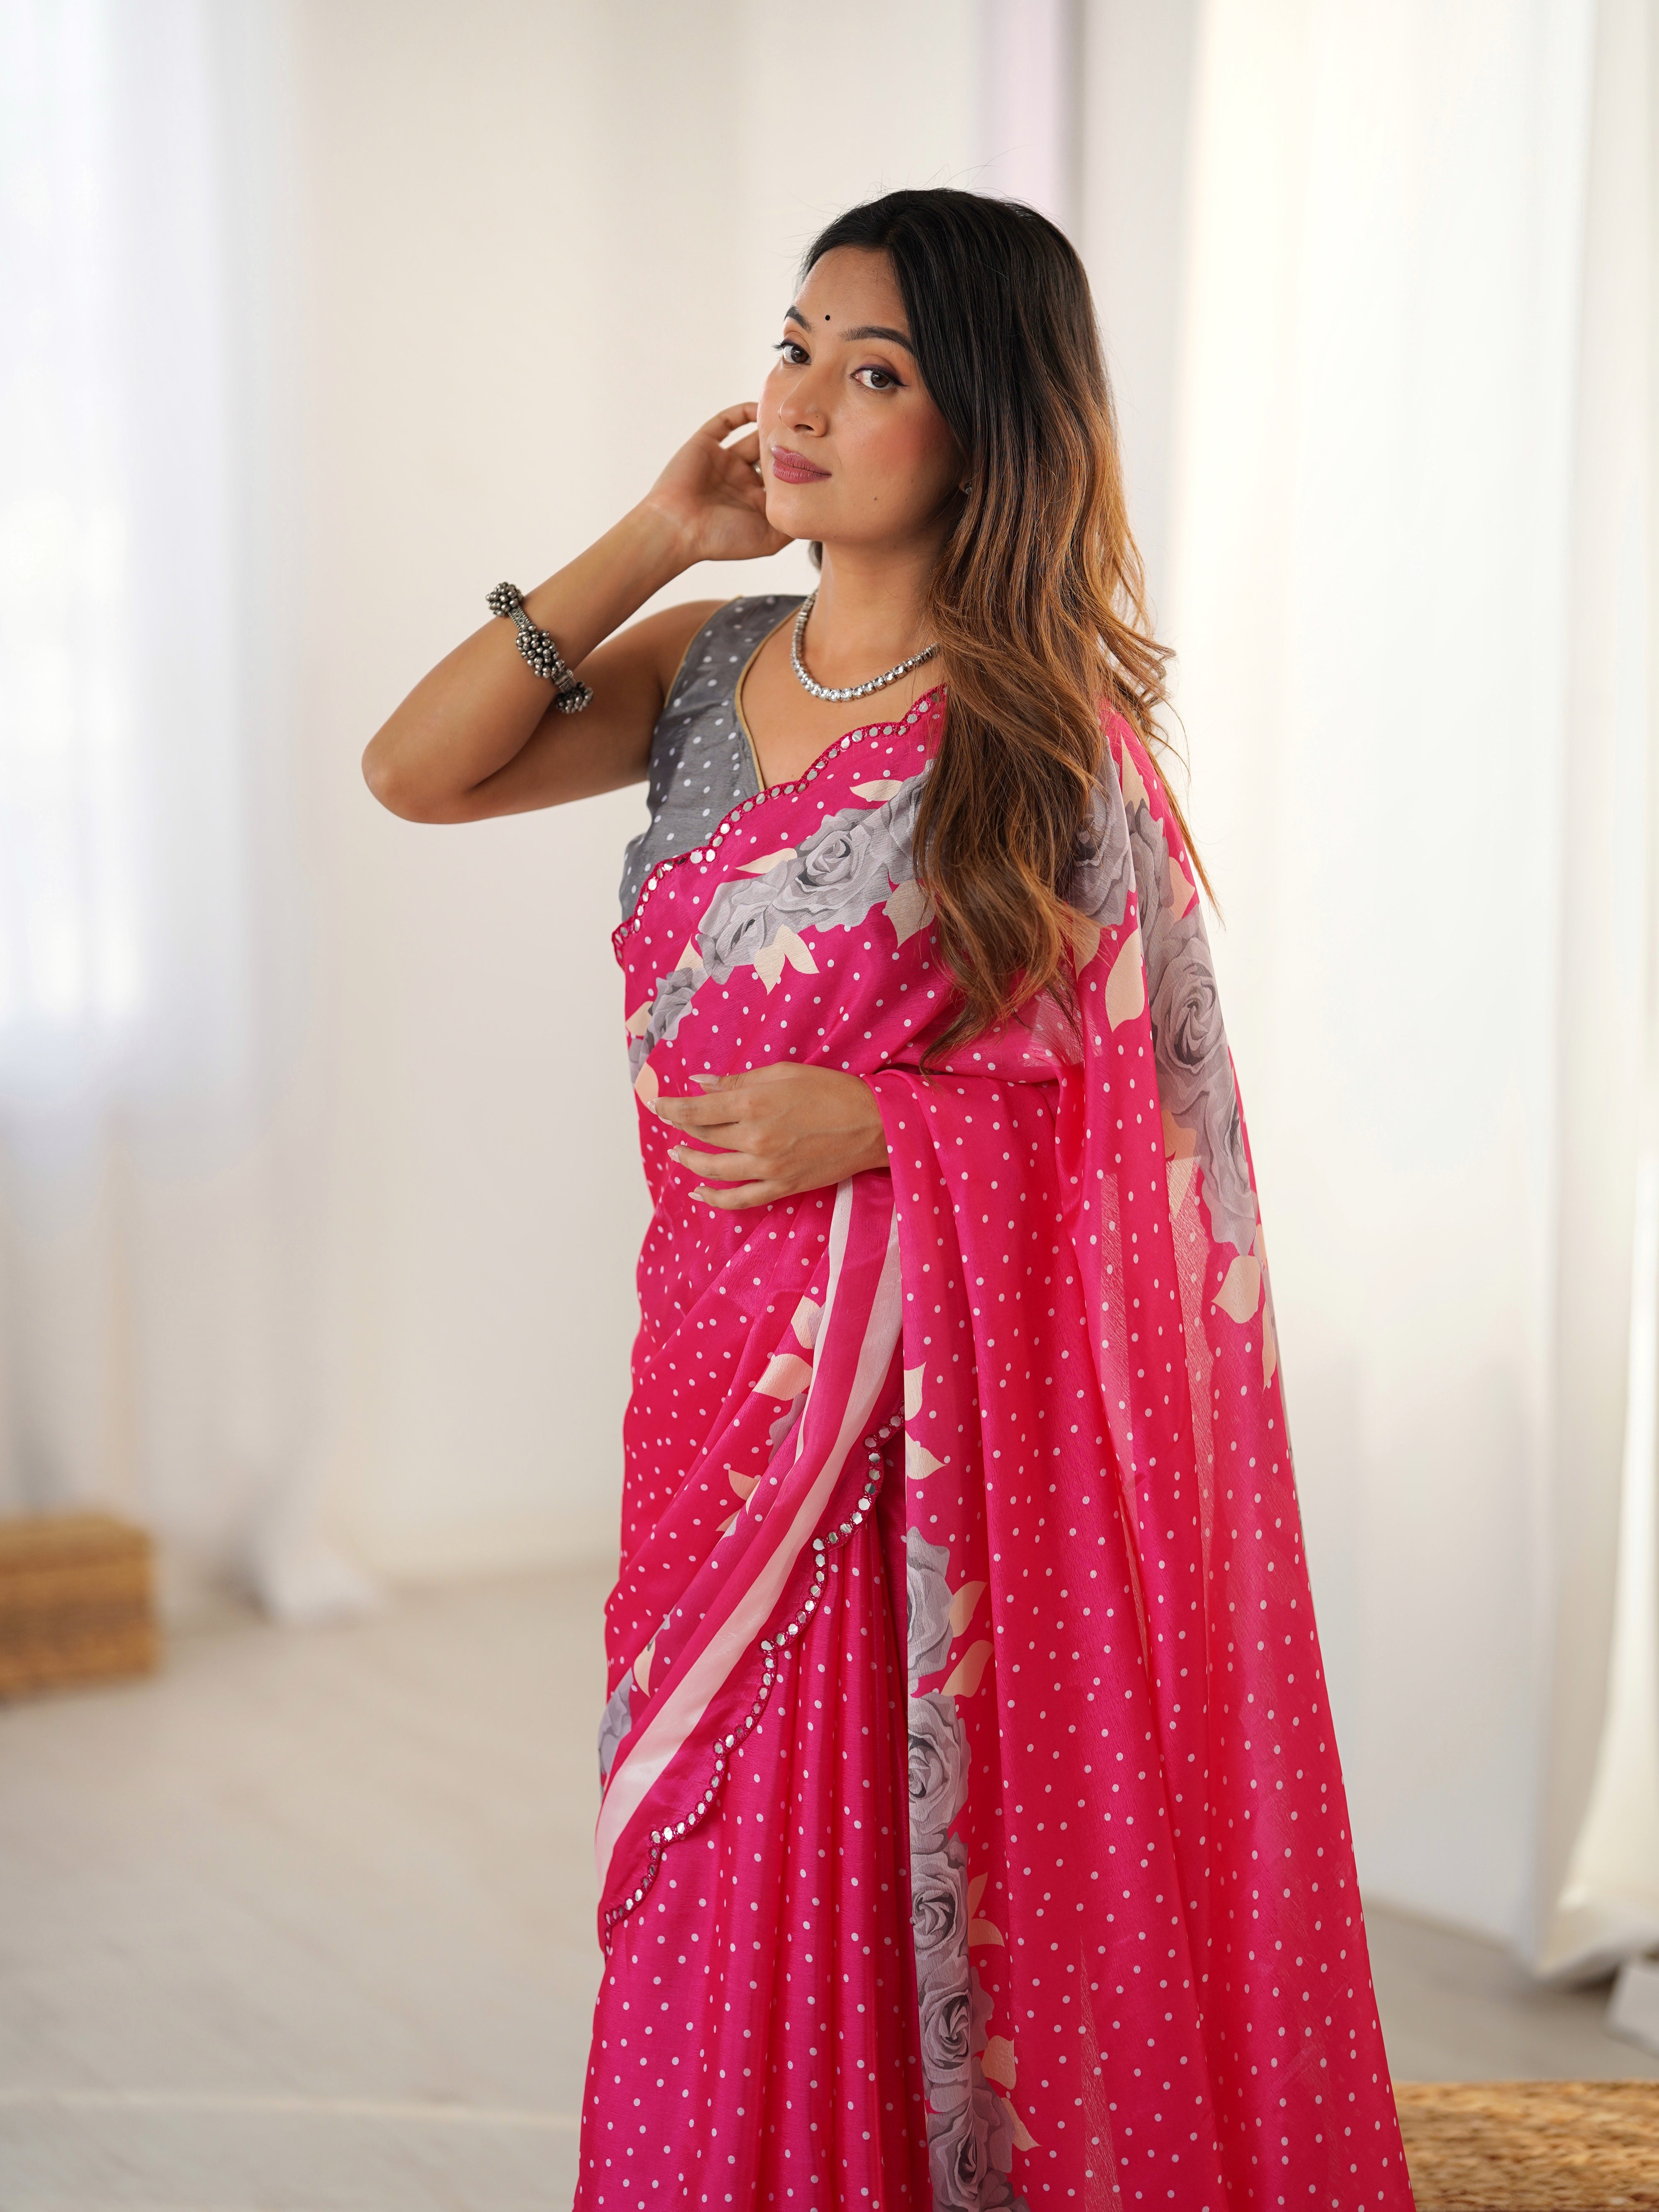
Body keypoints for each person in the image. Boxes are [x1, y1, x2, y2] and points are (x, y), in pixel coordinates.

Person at [364, 189, 1413, 2212]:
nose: (807, 399)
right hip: (713, 1395)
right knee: (706, 1876)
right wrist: (657, 537)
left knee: (907, 1895)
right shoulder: (697, 666)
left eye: (877, 369)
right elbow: (413, 771)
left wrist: (891, 1120)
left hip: (928, 1459)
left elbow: (1158, 1145)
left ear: (988, 424)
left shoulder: (1045, 740)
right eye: (796, 344)